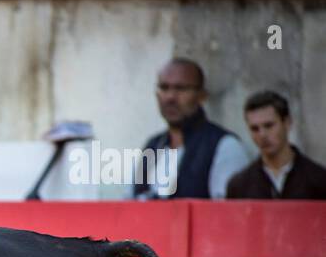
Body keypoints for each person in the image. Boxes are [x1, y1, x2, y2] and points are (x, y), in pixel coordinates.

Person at [135, 57, 248, 200]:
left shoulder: (224, 146)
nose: (170, 97)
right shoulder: (152, 146)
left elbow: (227, 214)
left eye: (181, 89)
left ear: (201, 96)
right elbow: (131, 202)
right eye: (164, 88)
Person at [226, 90, 326, 200]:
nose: (262, 135)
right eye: (255, 129)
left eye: (269, 126)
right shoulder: (240, 185)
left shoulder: (318, 180)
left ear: (287, 123)